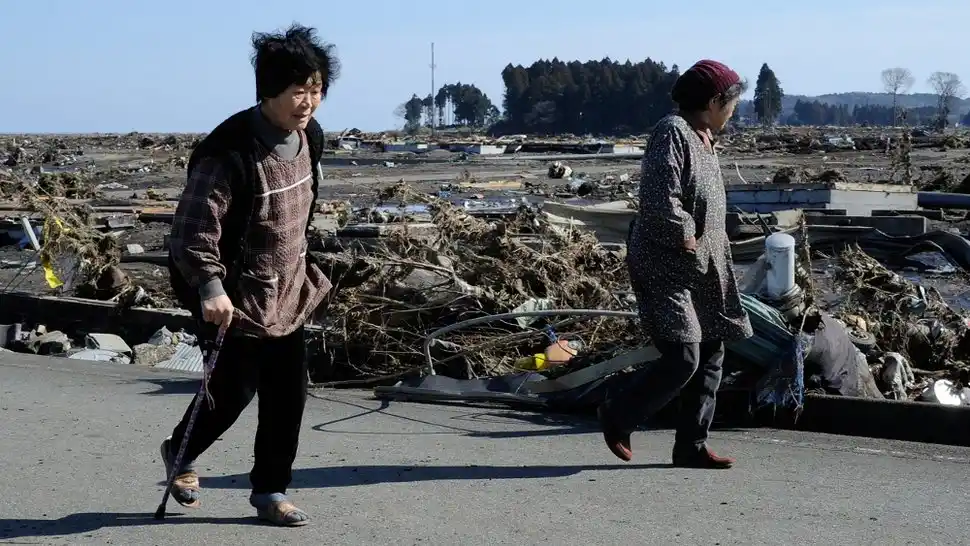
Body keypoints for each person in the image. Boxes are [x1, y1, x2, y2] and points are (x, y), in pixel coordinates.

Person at [160, 24, 340, 527]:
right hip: (235, 294)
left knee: (289, 395)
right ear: (268, 91)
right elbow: (192, 231)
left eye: (316, 89)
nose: (308, 102)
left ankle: (270, 492)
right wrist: (211, 288)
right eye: (298, 91)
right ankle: (180, 449)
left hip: (288, 288)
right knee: (234, 392)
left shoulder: (311, 139)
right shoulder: (229, 153)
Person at [596, 60, 753, 469]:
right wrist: (684, 233)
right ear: (715, 101)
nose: (734, 111)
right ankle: (618, 411)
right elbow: (660, 194)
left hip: (704, 264)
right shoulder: (673, 132)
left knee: (712, 350)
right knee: (684, 355)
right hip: (668, 261)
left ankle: (692, 446)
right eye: (732, 102)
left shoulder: (704, 138)